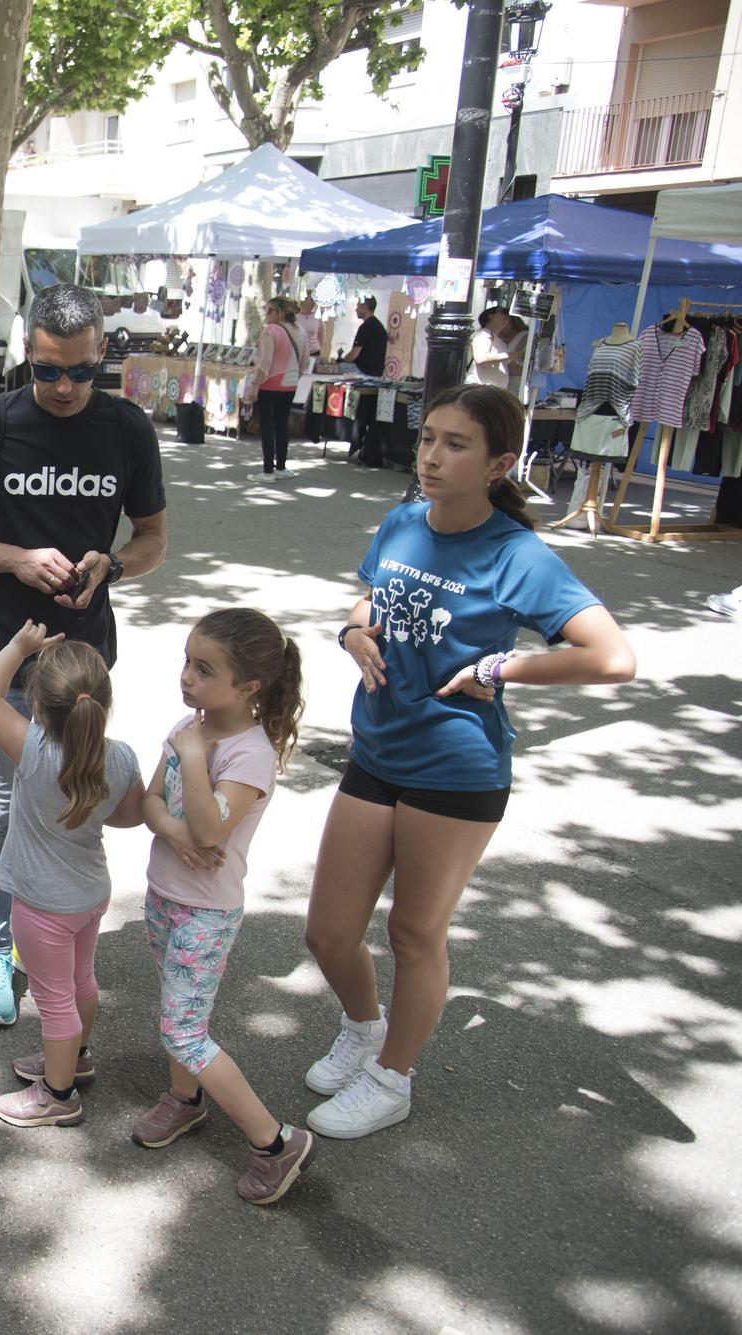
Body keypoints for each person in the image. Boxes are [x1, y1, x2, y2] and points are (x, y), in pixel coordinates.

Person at [301, 385, 635, 1140]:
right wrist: (352, 633)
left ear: (499, 463)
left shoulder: (517, 553)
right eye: (428, 438)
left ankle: (392, 1077)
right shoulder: (402, 522)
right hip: (378, 750)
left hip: (457, 768)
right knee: (326, 932)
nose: (430, 456)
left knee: (416, 934)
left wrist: (500, 669)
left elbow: (612, 657)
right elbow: (369, 603)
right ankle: (363, 1028)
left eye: (456, 444)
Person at [0, 283, 168, 1027]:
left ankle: (56, 937)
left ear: (103, 356)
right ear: (25, 354)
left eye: (81, 372)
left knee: (70, 805)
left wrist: (114, 565)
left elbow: (154, 539)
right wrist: (16, 559)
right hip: (0, 656)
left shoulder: (126, 430)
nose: (64, 388)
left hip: (83, 666)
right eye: (48, 370)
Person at [134, 609, 315, 1205]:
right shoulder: (192, 724)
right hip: (165, 895)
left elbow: (210, 830)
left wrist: (190, 764)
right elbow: (149, 804)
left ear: (249, 688)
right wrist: (179, 834)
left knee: (184, 1032)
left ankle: (275, 1142)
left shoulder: (247, 755)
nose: (187, 677)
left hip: (205, 915)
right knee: (176, 1014)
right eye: (187, 661)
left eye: (204, 669)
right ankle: (185, 1102)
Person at [0, 622, 143, 1130]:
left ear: (39, 708)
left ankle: (58, 1093)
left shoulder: (35, 750)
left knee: (54, 1000)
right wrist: (93, 807)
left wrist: (17, 645)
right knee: (81, 981)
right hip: (90, 895)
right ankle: (76, 1057)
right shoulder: (119, 757)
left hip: (43, 905)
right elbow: (130, 814)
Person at [242, 296, 304, 479]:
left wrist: (255, 385)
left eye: (270, 311)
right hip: (290, 383)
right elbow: (305, 360)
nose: (267, 314)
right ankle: (281, 467)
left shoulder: (270, 331)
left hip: (271, 384)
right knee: (282, 425)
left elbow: (265, 361)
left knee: (268, 427)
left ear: (281, 313)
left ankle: (268, 470)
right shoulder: (299, 331)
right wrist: (295, 376)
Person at [466, 306, 529, 392]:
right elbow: (481, 359)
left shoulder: (498, 339)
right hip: (480, 391)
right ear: (491, 316)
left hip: (491, 392)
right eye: (502, 312)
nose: (507, 316)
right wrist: (513, 355)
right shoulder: (484, 333)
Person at [345, 296, 387, 377]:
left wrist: (341, 361)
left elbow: (354, 354)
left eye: (358, 306)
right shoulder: (379, 326)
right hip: (377, 371)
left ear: (364, 307)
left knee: (335, 369)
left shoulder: (366, 327)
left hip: (363, 370)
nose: (356, 309)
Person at [293, 294, 323, 361]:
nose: (313, 302)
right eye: (311, 299)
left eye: (315, 300)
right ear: (304, 299)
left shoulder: (317, 318)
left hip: (313, 352)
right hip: (298, 351)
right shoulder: (295, 317)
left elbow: (321, 337)